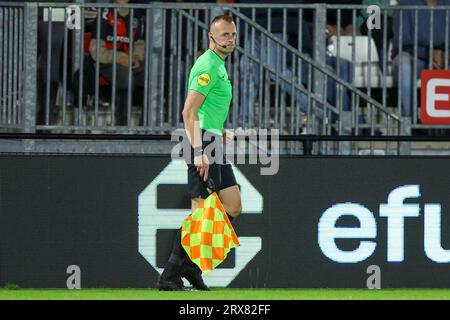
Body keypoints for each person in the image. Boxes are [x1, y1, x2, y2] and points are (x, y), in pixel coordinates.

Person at [156, 13, 242, 291]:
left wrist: (220, 130)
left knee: (233, 206)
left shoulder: (219, 64)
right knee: (201, 216)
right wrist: (198, 151)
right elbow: (188, 111)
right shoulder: (207, 64)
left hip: (212, 139)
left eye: (232, 34)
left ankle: (190, 268)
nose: (229, 39)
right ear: (211, 37)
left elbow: (206, 110)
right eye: (224, 34)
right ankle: (170, 275)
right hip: (202, 143)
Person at [89, 0, 146, 126]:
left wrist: (137, 57)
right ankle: (121, 127)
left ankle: (146, 128)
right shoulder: (105, 13)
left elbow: (139, 44)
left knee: (151, 76)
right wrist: (119, 57)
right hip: (107, 62)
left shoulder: (137, 13)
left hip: (131, 61)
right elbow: (95, 49)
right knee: (126, 78)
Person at [392, 0, 450, 119]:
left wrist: (445, 55)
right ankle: (409, 123)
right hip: (414, 56)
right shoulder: (407, 3)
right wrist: (429, 53)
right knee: (404, 63)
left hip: (444, 57)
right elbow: (402, 41)